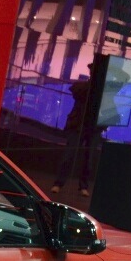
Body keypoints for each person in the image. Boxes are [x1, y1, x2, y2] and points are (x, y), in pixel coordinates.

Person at [51, 64, 100, 197]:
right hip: (77, 126)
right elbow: (78, 91)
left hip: (92, 128)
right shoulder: (82, 87)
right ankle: (59, 183)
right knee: (69, 156)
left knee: (88, 160)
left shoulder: (99, 92)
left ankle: (81, 186)